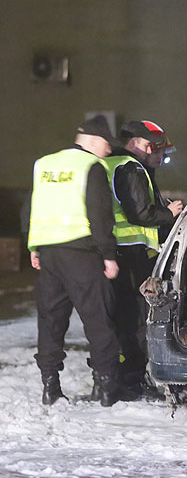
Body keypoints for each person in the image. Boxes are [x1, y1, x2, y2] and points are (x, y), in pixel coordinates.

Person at [26, 116, 130, 407]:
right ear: (96, 141)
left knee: (50, 320)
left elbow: (31, 205)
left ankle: (50, 387)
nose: (109, 151)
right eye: (108, 145)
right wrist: (108, 255)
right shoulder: (90, 166)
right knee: (99, 318)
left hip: (48, 253)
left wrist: (33, 245)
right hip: (82, 253)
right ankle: (105, 388)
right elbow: (99, 214)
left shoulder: (43, 164)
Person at [102, 120, 183, 394]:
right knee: (135, 316)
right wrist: (169, 214)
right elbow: (140, 214)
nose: (160, 156)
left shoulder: (112, 164)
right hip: (129, 254)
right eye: (158, 150)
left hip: (116, 252)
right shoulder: (131, 168)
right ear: (143, 145)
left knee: (121, 316)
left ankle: (123, 372)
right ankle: (133, 377)